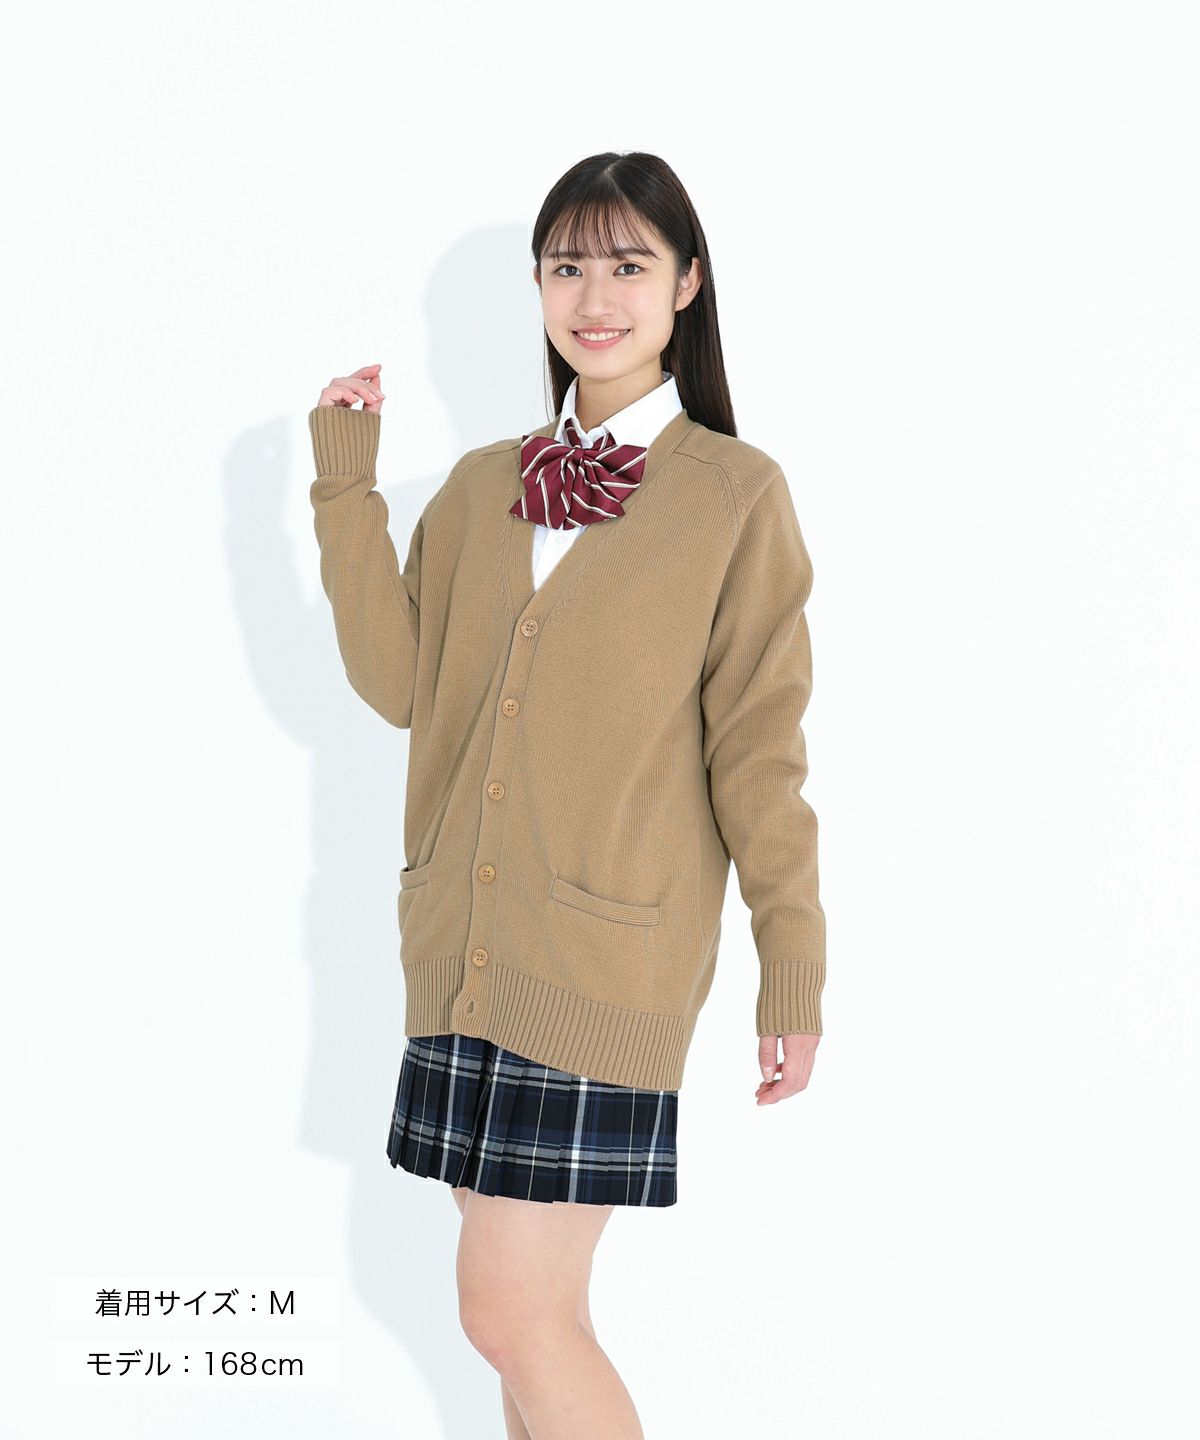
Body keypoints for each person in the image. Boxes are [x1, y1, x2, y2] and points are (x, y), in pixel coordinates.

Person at [307, 150, 826, 1439]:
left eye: (630, 265)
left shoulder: (733, 497)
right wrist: (344, 487)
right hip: (464, 954)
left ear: (687, 284)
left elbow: (759, 753)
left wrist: (792, 966)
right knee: (524, 1330)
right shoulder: (484, 487)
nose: (596, 297)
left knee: (513, 1316)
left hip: (603, 964)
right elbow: (398, 683)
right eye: (567, 267)